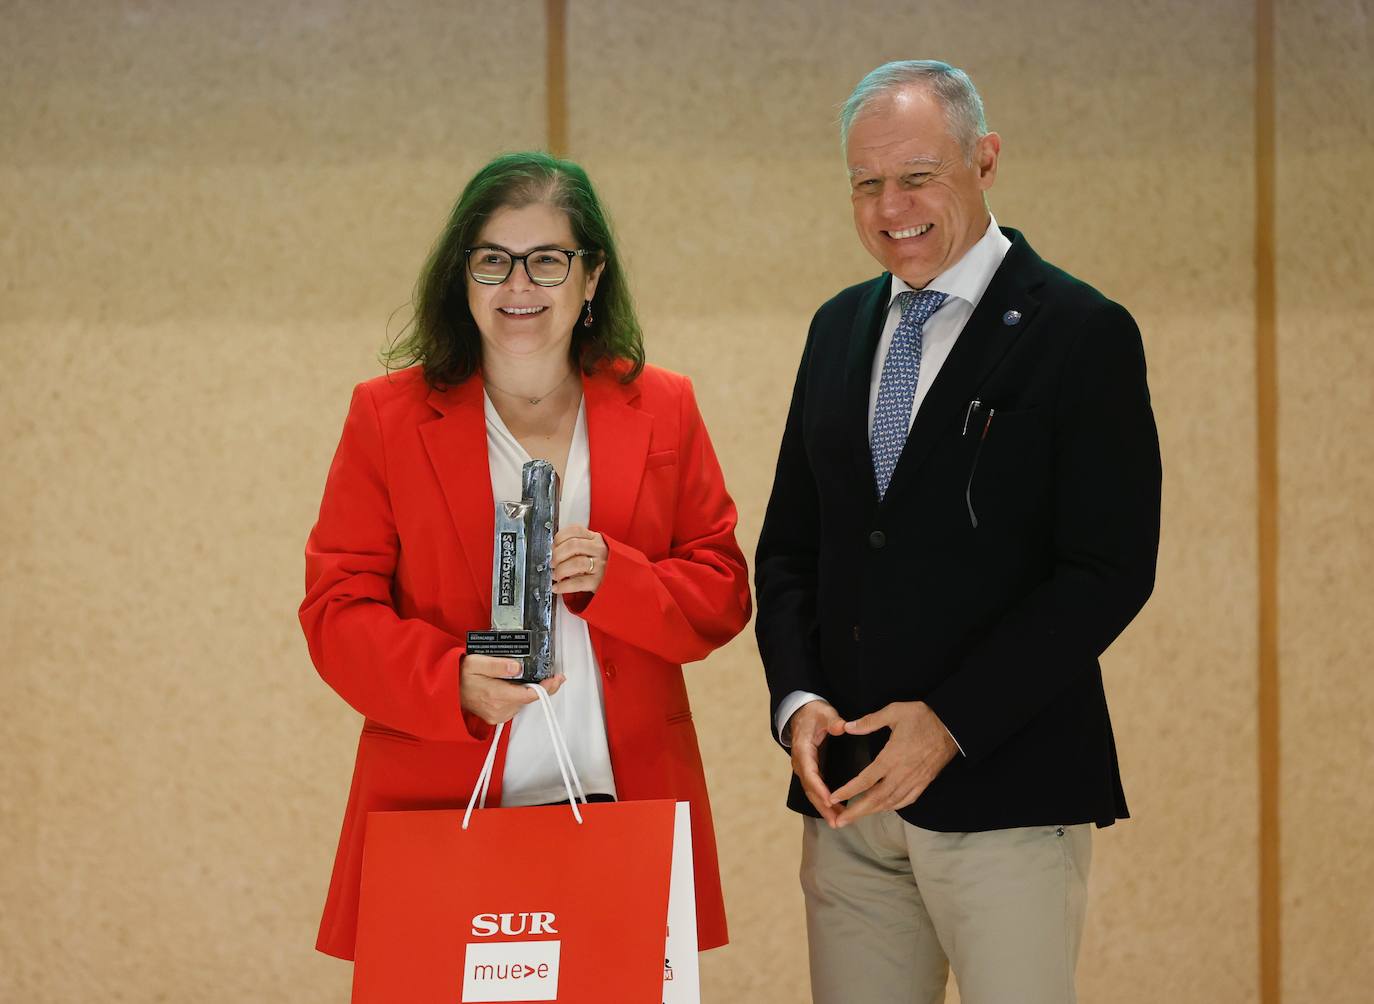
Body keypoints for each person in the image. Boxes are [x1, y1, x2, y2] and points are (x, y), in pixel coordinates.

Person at [755, 61, 1161, 1004]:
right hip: (849, 802)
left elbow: (1108, 569)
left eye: (918, 174)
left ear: (985, 160)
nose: (891, 205)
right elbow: (789, 549)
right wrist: (797, 698)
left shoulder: (1081, 330)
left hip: (1008, 795)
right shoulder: (835, 329)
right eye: (867, 182)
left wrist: (951, 725)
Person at [300, 151, 751, 962]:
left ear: (591, 278)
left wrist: (626, 580)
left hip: (625, 802)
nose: (519, 286)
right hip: (444, 805)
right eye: (494, 261)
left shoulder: (664, 407)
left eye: (548, 261)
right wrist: (450, 682)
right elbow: (336, 612)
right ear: (462, 278)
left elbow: (722, 590)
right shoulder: (388, 417)